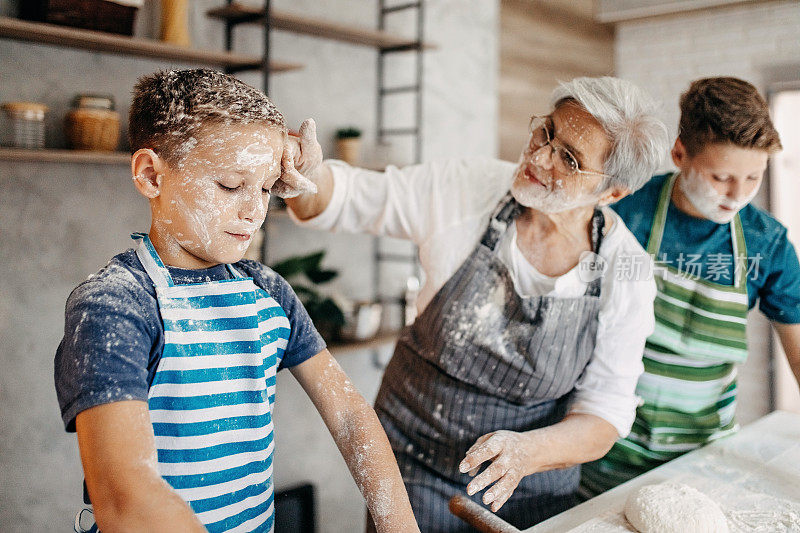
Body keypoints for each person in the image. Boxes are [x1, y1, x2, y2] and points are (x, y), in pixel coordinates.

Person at [278, 76, 669, 530]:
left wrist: (530, 452)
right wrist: (309, 171)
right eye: (546, 132)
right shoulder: (466, 186)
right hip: (413, 462)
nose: (539, 156)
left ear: (612, 193)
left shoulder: (626, 271)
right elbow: (345, 198)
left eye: (569, 159)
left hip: (530, 485)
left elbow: (605, 413)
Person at [54, 69, 420, 533]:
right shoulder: (115, 306)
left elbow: (350, 417)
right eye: (230, 185)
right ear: (151, 175)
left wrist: (399, 526)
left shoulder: (267, 292)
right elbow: (129, 503)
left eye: (266, 187)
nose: (255, 211)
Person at [580, 76, 800, 496]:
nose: (738, 196)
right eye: (720, 177)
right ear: (679, 153)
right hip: (603, 453)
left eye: (753, 179)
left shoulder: (765, 245)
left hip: (702, 462)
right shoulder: (624, 211)